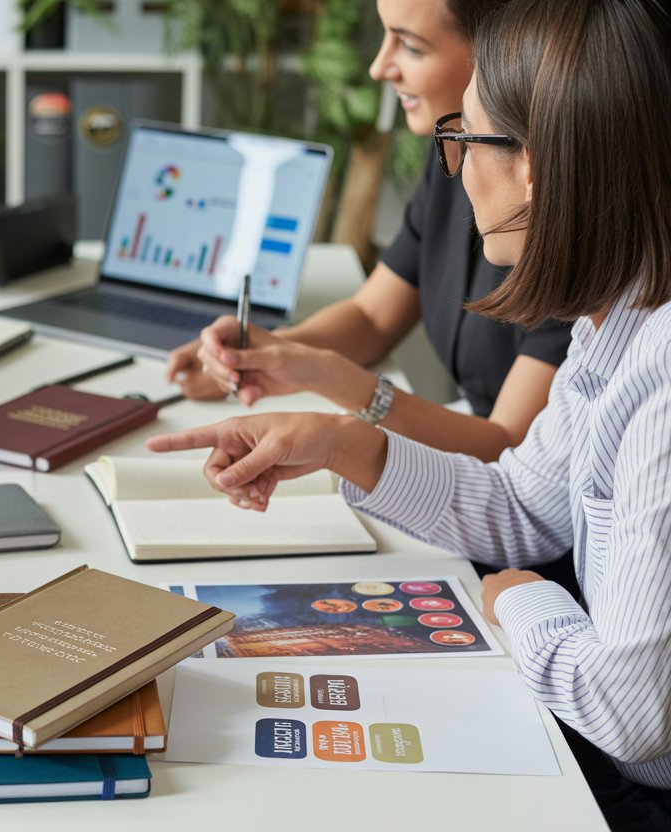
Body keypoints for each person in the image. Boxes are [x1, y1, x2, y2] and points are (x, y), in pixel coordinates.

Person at [149, 0, 671, 826]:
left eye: (468, 141)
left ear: (532, 165)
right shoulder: (608, 321)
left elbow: (633, 717)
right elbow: (523, 506)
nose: (456, 169)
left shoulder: (661, 374)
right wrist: (337, 443)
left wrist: (523, 601)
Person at [165, 0, 570, 464]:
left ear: (500, 52)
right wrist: (267, 351)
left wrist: (330, 380)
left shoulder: (572, 220)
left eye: (412, 47)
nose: (379, 67)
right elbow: (373, 316)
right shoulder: (453, 158)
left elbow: (509, 450)